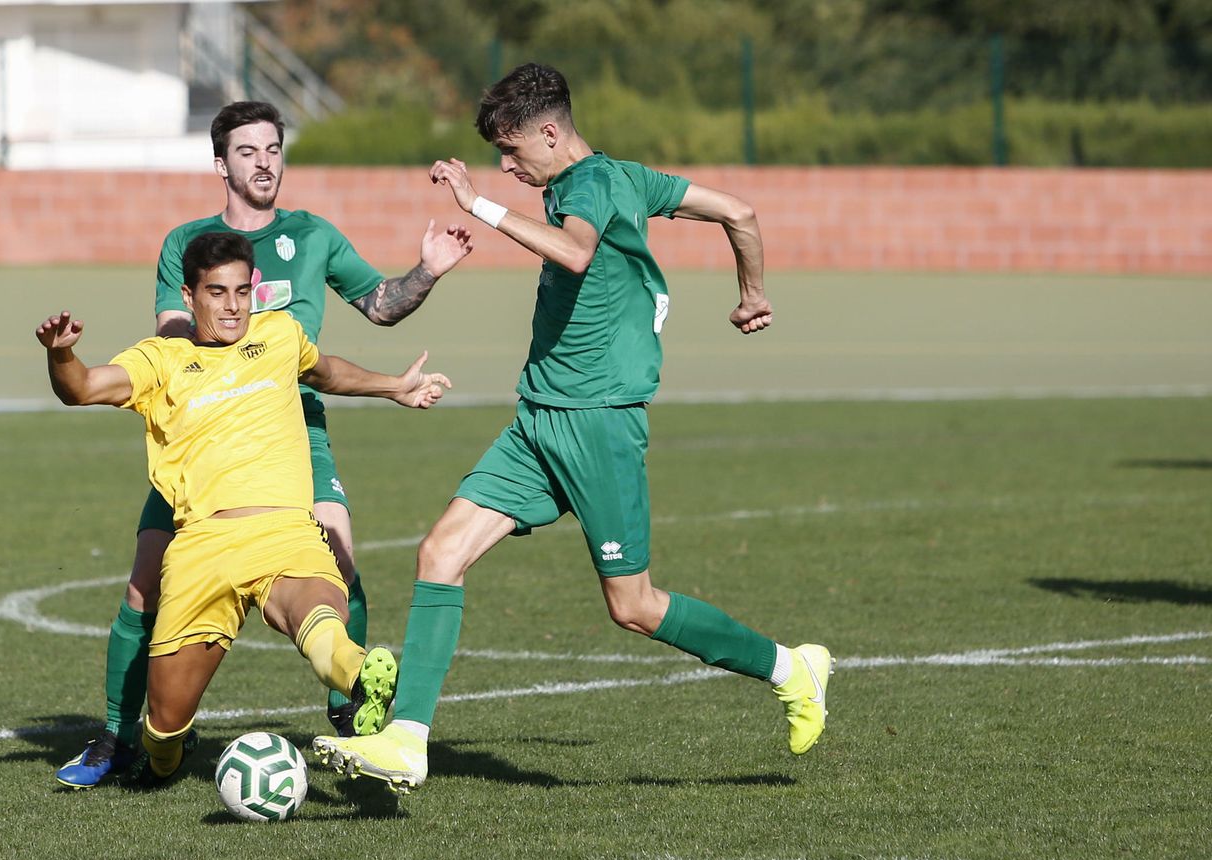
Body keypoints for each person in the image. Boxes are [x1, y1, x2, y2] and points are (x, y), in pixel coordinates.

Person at [313, 63, 832, 792]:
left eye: (512, 149)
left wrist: (479, 204)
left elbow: (577, 251)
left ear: (551, 133)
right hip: (539, 419)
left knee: (634, 606)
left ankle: (791, 668)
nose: (506, 164)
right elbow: (739, 213)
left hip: (598, 425)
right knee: (441, 552)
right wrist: (752, 294)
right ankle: (408, 741)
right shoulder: (626, 178)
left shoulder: (588, 186)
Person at [56, 101, 474, 788]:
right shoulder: (187, 242)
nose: (264, 162)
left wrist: (426, 270)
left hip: (294, 427)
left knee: (339, 558)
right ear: (221, 164)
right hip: (200, 431)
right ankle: (117, 735)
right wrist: (232, 344)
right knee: (142, 584)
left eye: (274, 149)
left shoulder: (312, 235)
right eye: (248, 151)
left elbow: (379, 306)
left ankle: (353, 711)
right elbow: (173, 334)